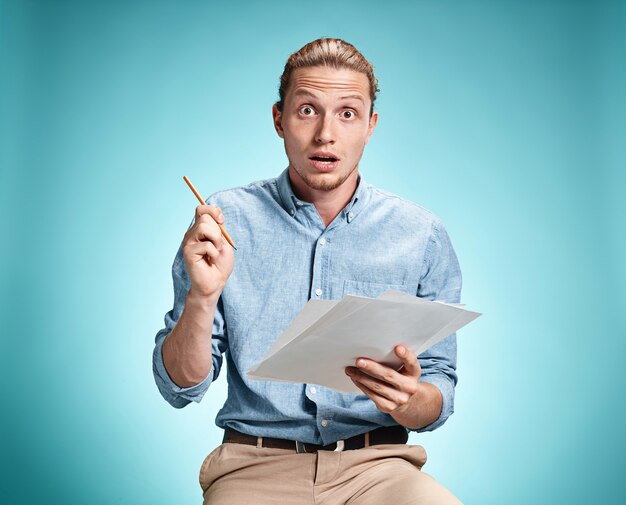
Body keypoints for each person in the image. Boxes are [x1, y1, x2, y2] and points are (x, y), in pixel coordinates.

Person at [153, 38, 463, 504]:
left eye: (347, 113)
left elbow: (439, 385)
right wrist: (201, 297)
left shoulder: (421, 235)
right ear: (279, 119)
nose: (325, 135)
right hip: (254, 468)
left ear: (371, 126)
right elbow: (180, 387)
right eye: (306, 110)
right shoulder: (223, 221)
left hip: (378, 469)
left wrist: (411, 399)